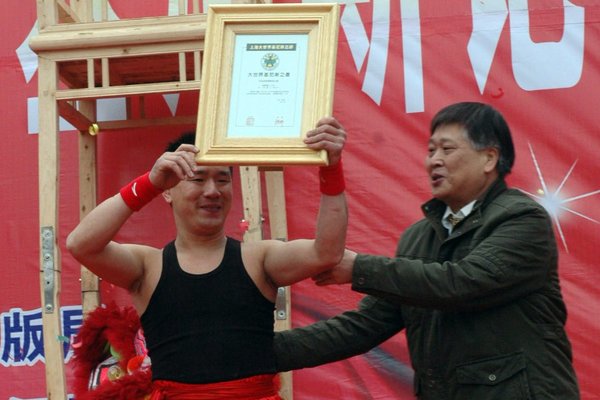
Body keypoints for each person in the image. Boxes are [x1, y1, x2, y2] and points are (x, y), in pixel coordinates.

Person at [273, 102, 580, 399]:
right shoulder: (418, 238)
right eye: (431, 150)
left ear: (489, 158)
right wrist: (255, 350)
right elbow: (363, 326)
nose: (434, 160)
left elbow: (464, 283)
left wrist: (358, 268)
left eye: (447, 149)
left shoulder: (522, 218)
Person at [66, 117, 348, 399]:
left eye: (223, 179)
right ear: (167, 191)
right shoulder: (147, 267)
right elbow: (81, 244)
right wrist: (148, 184)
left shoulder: (260, 258)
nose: (212, 191)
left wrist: (331, 166)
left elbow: (327, 252)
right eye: (198, 179)